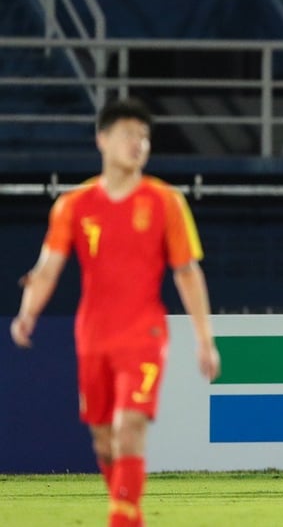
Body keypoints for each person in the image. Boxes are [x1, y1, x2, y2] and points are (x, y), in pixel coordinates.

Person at [9, 98, 221, 527]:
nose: (138, 143)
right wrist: (28, 311)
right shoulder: (72, 205)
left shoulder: (166, 202)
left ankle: (120, 520)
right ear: (101, 140)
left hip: (143, 335)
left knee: (130, 428)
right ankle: (130, 512)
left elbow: (187, 273)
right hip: (92, 337)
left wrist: (204, 339)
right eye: (128, 134)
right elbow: (48, 267)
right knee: (105, 442)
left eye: (144, 136)